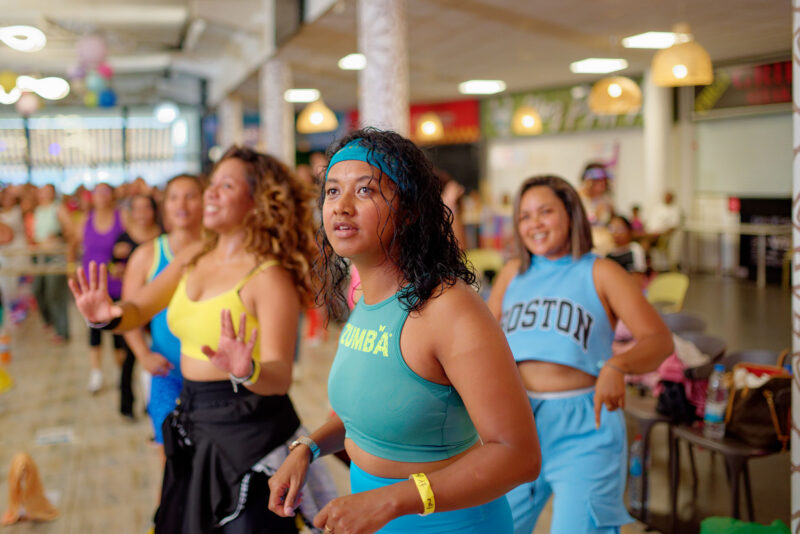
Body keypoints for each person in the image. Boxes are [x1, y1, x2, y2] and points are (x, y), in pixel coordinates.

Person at [268, 128, 540, 534]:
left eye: (365, 191)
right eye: (332, 191)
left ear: (409, 210)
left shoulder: (448, 308)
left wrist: (391, 500)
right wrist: (307, 449)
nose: (341, 207)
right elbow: (364, 417)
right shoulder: (368, 299)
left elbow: (519, 456)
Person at [69, 146, 320, 534]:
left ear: (256, 200)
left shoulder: (268, 277)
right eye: (212, 183)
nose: (211, 193)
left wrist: (248, 369)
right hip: (195, 416)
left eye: (227, 185)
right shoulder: (194, 257)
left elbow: (280, 377)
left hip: (249, 428)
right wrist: (108, 315)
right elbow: (138, 308)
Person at [487, 175, 673, 534]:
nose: (534, 224)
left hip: (585, 428)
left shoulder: (602, 272)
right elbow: (485, 345)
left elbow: (659, 340)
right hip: (518, 422)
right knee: (497, 527)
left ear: (570, 214)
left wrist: (618, 365)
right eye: (525, 216)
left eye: (545, 212)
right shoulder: (512, 273)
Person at [120, 175, 203, 456]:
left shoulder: (220, 251)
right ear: (165, 206)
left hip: (212, 374)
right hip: (168, 372)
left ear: (205, 201)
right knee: (171, 458)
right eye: (174, 197)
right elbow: (129, 314)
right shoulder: (147, 255)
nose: (182, 204)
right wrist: (143, 355)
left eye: (190, 196)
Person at [111, 193, 163, 419]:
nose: (142, 214)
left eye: (146, 208)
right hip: (132, 305)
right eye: (137, 209)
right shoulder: (124, 238)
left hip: (159, 307)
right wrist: (118, 269)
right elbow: (112, 266)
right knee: (130, 356)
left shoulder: (165, 238)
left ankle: (150, 403)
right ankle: (126, 405)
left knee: (159, 354)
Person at [81, 183, 127, 393]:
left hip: (116, 283)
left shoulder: (122, 216)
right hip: (92, 286)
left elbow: (133, 241)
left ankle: (120, 372)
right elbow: (74, 242)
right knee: (94, 330)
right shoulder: (86, 219)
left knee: (118, 329)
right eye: (97, 192)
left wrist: (124, 259)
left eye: (105, 191)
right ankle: (96, 373)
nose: (101, 196)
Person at [31, 184, 73, 344]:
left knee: (55, 293)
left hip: (56, 255)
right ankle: (49, 320)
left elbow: (70, 231)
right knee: (37, 289)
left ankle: (62, 330)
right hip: (40, 255)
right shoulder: (38, 210)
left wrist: (58, 235)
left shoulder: (59, 208)